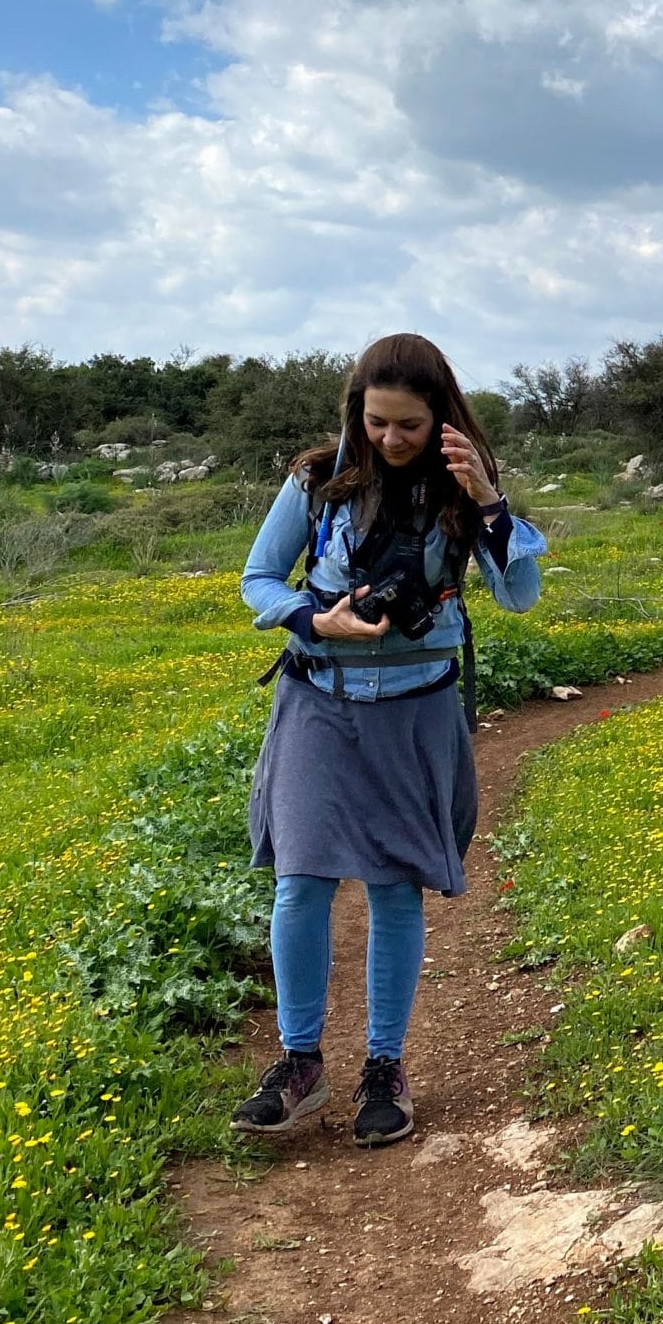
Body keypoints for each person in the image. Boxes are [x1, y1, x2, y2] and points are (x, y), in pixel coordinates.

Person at [229, 332, 546, 1147]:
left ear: (441, 416)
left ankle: (384, 1066)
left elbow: (520, 594)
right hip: (318, 698)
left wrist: (486, 502)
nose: (392, 440)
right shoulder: (316, 482)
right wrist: (311, 616)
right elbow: (258, 579)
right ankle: (299, 1063)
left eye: (409, 425)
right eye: (377, 423)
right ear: (355, 413)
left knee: (393, 884)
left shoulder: (466, 486)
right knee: (300, 879)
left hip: (415, 705)